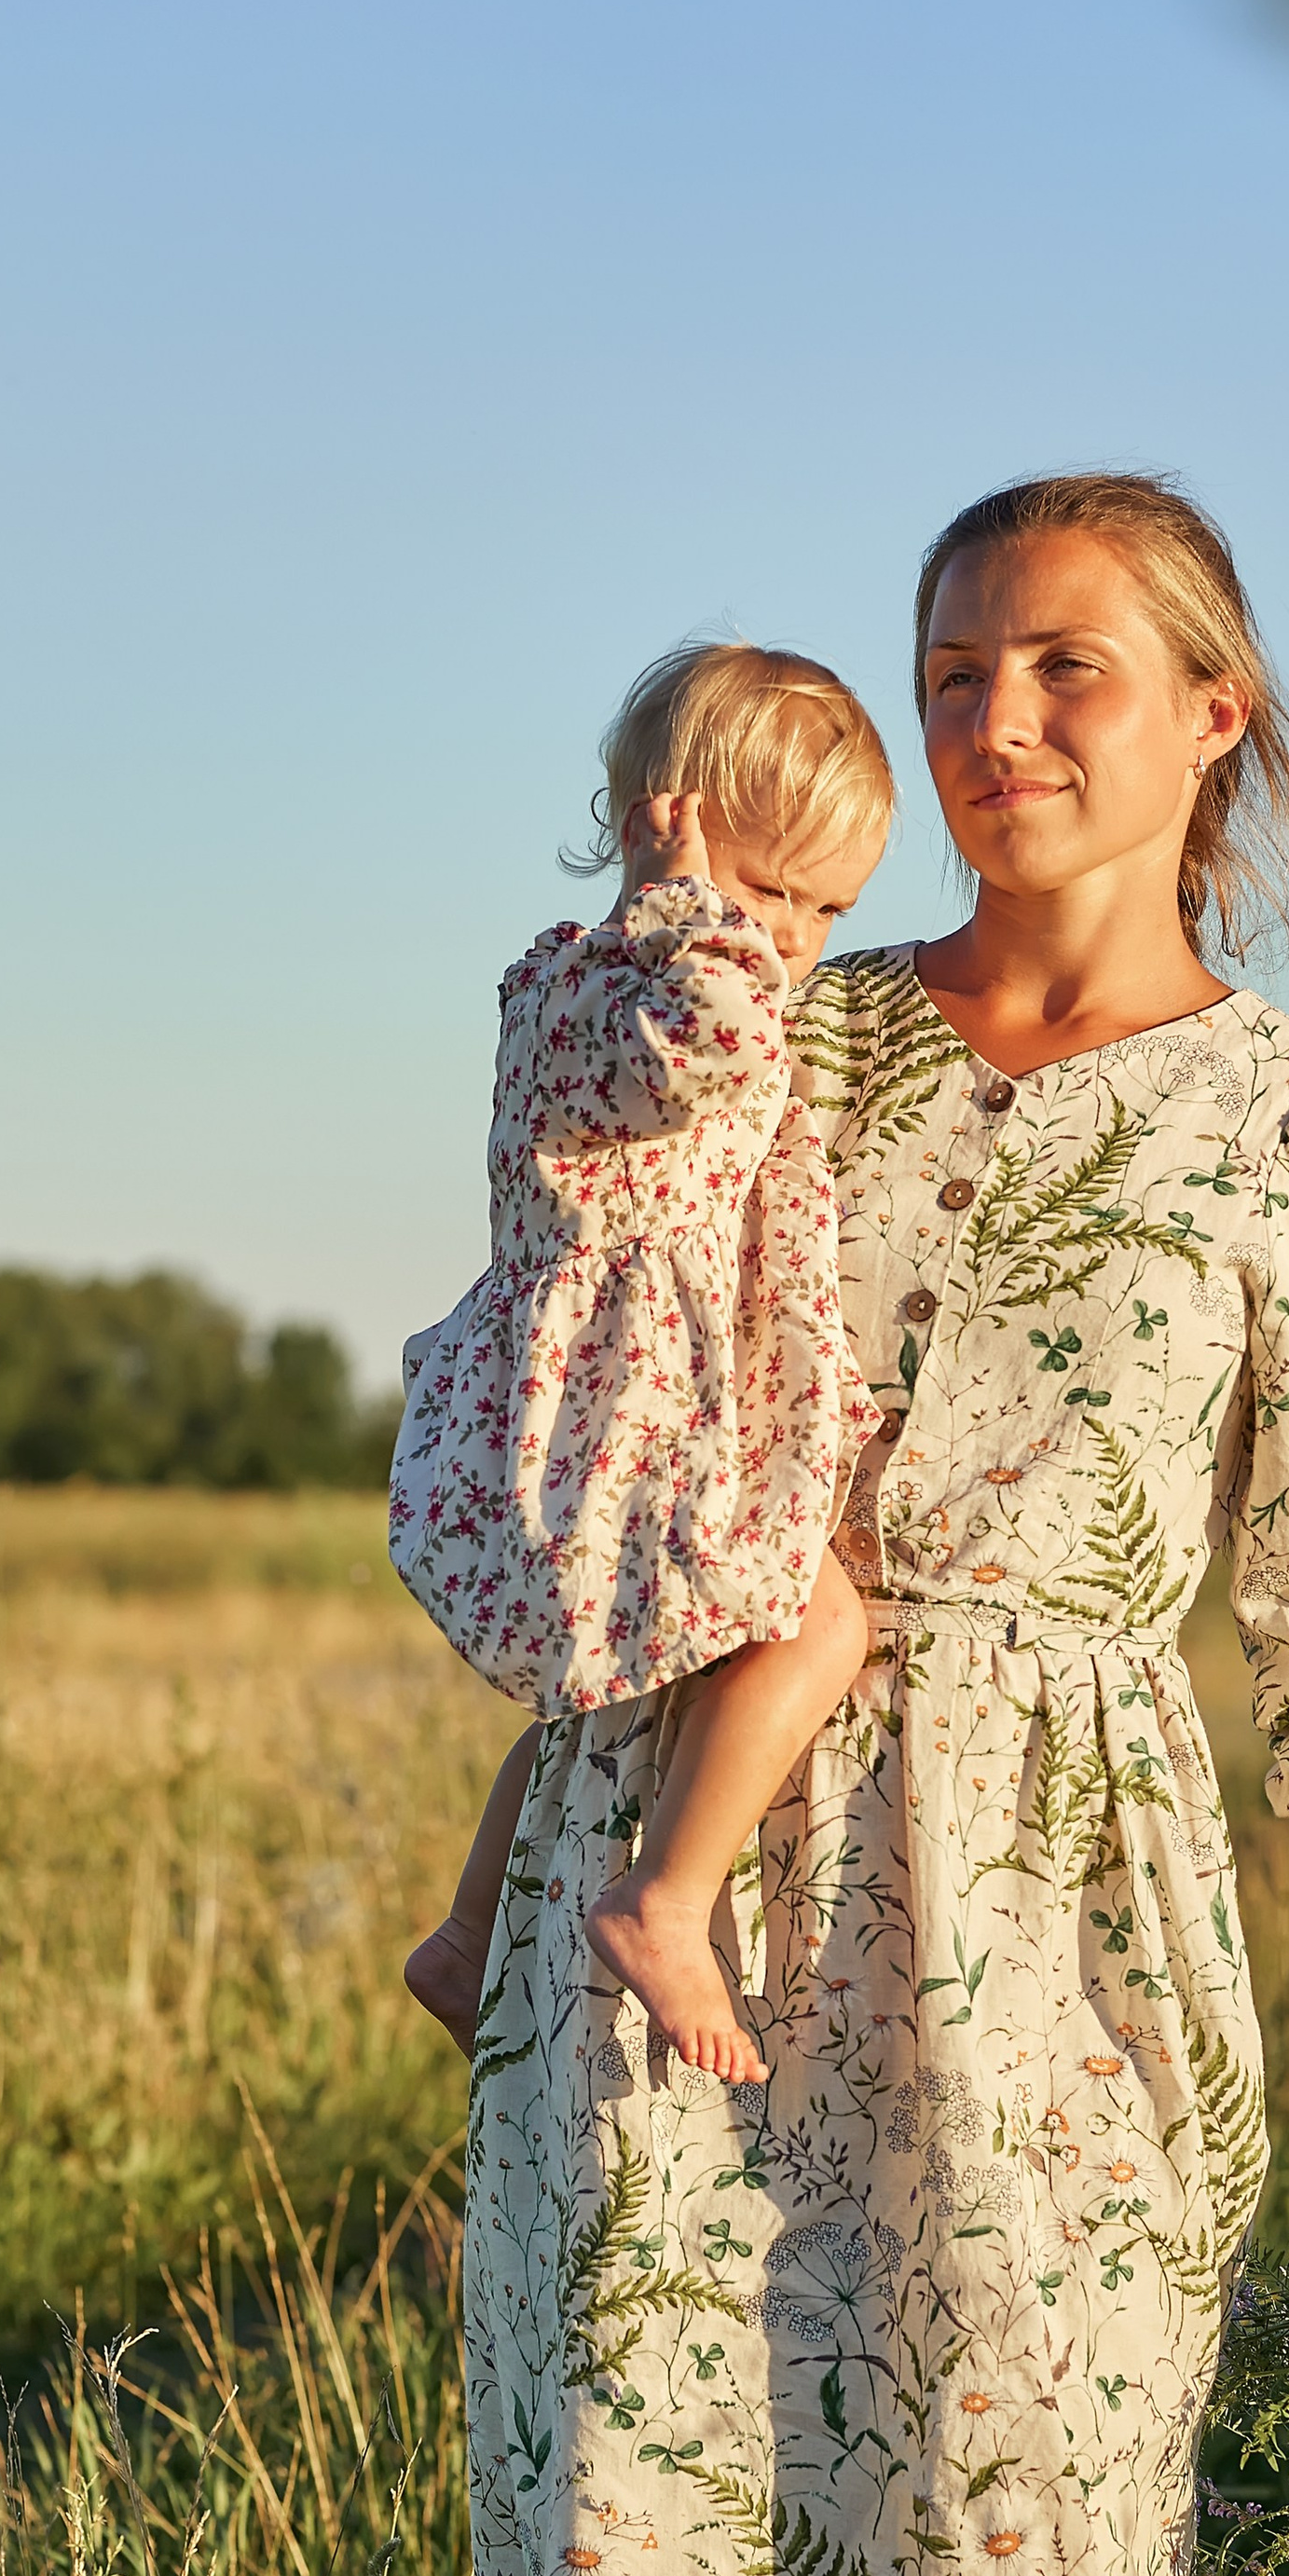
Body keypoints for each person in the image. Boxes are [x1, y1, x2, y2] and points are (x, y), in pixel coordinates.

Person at [464, 473, 1289, 2576]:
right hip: (685, 1875)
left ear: (1213, 709)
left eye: (1064, 667)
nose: (996, 724)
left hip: (1058, 1931)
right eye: (951, 674)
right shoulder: (780, 1026)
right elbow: (634, 1429)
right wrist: (505, 1871)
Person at [391, 639, 895, 2082]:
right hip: (627, 1407)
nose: (791, 939)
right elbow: (720, 1032)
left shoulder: (621, 989)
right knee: (817, 1626)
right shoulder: (605, 996)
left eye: (825, 907)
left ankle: (474, 1926)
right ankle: (661, 1900)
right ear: (657, 838)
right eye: (768, 890)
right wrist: (690, 914)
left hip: (647, 1397)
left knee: (610, 1685)